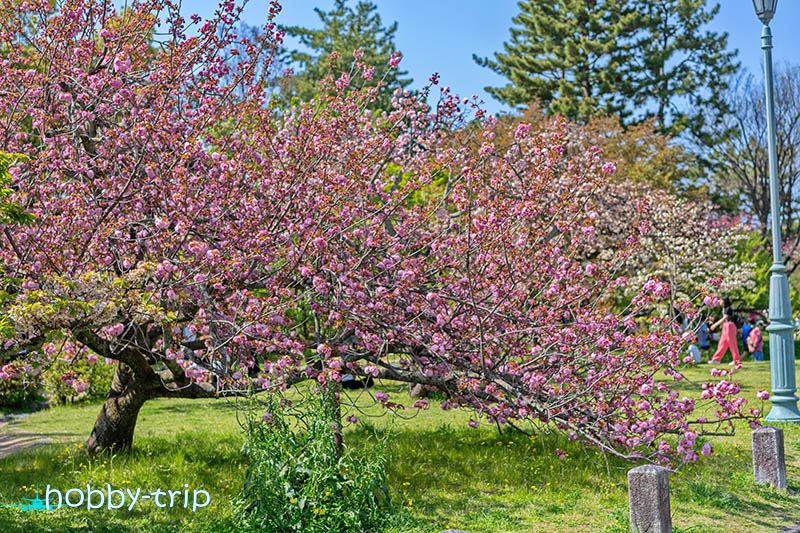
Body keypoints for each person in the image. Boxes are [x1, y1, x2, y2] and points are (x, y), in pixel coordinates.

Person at [708, 297, 742, 366]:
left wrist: (715, 325)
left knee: (732, 343)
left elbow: (724, 318)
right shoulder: (724, 309)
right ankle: (716, 360)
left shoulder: (728, 308)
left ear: (724, 301)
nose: (719, 301)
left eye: (721, 300)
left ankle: (737, 360)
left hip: (730, 326)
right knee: (722, 343)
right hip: (725, 326)